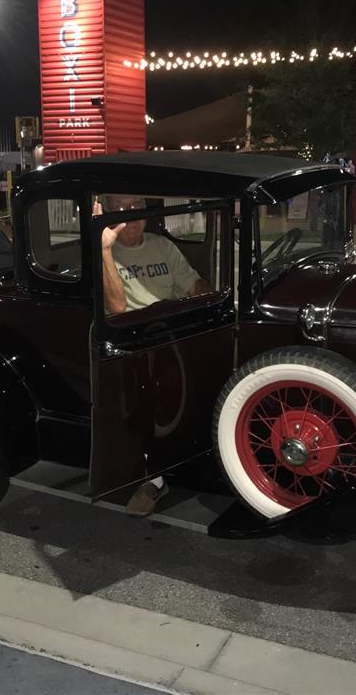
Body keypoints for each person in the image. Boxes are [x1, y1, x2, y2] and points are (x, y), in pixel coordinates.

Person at [95, 193, 213, 515]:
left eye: (137, 207)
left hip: (173, 330)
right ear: (107, 212)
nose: (131, 215)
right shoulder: (103, 252)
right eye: (120, 209)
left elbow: (192, 285)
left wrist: (213, 296)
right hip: (133, 340)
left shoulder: (162, 246)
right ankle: (156, 477)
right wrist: (104, 248)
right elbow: (117, 308)